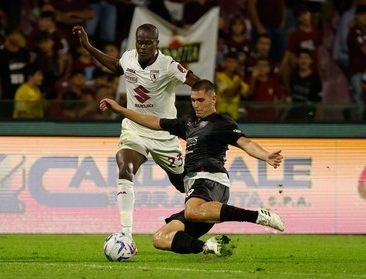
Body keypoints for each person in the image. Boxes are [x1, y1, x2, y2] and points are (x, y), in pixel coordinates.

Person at [99, 79, 285, 256]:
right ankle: (210, 247)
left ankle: (258, 216)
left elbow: (246, 143)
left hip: (211, 180)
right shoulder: (187, 123)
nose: (196, 104)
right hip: (195, 192)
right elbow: (152, 121)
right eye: (193, 100)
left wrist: (266, 155)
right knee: (161, 238)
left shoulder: (222, 122)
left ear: (214, 99)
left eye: (201, 100)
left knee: (191, 211)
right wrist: (121, 110)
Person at [72, 23, 200, 238]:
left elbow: (195, 82)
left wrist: (203, 109)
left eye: (148, 43)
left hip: (164, 134)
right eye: (140, 42)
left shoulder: (168, 65)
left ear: (157, 44)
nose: (143, 47)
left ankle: (202, 216)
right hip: (135, 129)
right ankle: (126, 234)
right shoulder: (129, 57)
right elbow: (115, 67)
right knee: (125, 167)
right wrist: (87, 46)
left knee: (183, 184)